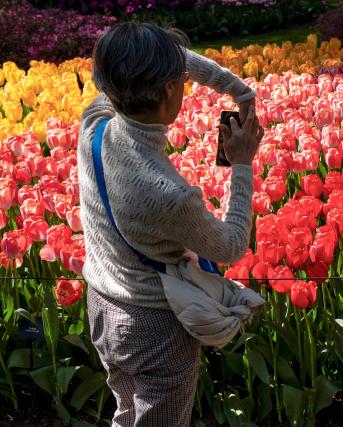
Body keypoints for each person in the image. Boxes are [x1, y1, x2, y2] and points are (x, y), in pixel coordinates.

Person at [78, 22, 263, 426]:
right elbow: (231, 246)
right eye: (180, 77)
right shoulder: (166, 192)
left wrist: (238, 91)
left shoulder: (95, 123)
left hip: (101, 304)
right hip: (153, 328)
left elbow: (140, 68)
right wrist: (242, 163)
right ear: (167, 89)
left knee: (127, 414)